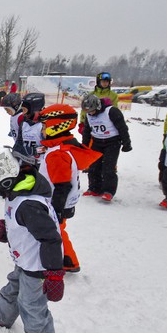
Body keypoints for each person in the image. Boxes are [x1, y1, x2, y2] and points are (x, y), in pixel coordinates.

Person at [0, 147, 65, 333]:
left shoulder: (28, 205)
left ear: (5, 181)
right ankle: (1, 313)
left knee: (31, 302)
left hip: (39, 265)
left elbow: (51, 238)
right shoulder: (18, 194)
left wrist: (54, 274)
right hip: (25, 258)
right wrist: (7, 227)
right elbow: (21, 221)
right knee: (14, 286)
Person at [38, 104, 101, 272]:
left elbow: (62, 185)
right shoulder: (58, 148)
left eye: (44, 127)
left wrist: (57, 210)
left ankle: (66, 261)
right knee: (58, 231)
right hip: (60, 202)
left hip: (57, 203)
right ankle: (67, 260)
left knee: (55, 233)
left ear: (55, 127)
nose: (42, 131)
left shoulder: (57, 154)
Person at [81, 93, 132, 201]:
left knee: (108, 168)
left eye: (92, 110)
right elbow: (87, 131)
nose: (90, 113)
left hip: (112, 142)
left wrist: (126, 143)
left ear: (98, 106)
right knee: (94, 167)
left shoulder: (111, 111)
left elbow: (122, 127)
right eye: (88, 111)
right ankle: (94, 188)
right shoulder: (89, 116)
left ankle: (108, 191)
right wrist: (84, 146)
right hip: (97, 142)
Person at [14, 92, 45, 166]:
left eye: (25, 110)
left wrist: (33, 151)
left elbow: (47, 147)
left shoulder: (43, 125)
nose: (23, 113)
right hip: (25, 162)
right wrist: (17, 148)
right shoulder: (24, 123)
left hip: (40, 163)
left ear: (34, 110)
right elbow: (19, 141)